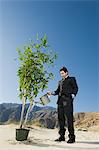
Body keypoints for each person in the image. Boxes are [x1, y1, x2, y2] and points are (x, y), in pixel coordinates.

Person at [47, 67, 78, 143]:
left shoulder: (72, 79)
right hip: (60, 101)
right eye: (60, 74)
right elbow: (57, 91)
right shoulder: (60, 82)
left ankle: (72, 137)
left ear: (66, 72)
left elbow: (76, 88)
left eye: (63, 73)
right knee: (61, 119)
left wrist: (73, 95)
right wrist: (52, 93)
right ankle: (61, 136)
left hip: (68, 101)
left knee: (69, 119)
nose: (61, 75)